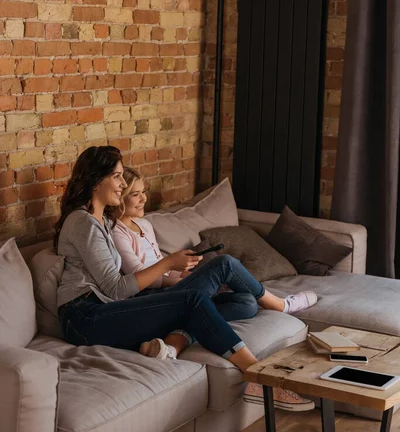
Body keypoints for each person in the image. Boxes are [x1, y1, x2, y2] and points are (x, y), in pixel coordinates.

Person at [55, 145, 317, 412]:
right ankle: (258, 378)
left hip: (107, 308)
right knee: (192, 300)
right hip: (85, 317)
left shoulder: (102, 222)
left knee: (241, 300)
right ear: (97, 180)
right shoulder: (83, 223)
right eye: (117, 176)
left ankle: (177, 340)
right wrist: (169, 263)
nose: (122, 184)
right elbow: (116, 288)